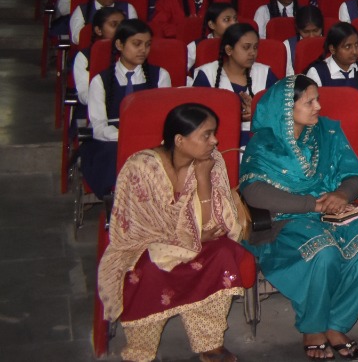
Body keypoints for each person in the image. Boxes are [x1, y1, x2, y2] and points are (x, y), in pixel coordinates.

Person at [240, 76, 358, 358]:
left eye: (317, 99)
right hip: (286, 219)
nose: (318, 106)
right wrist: (313, 204)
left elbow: (354, 174)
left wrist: (343, 195)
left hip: (336, 212)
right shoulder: (264, 142)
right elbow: (254, 191)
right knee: (324, 252)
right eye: (309, 101)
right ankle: (312, 326)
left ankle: (336, 323)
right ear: (287, 108)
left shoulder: (328, 132)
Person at [97, 103, 249, 362]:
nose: (215, 140)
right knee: (147, 270)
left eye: (214, 133)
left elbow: (215, 223)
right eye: (206, 135)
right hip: (145, 245)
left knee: (223, 253)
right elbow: (136, 225)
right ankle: (140, 350)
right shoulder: (141, 168)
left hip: (199, 242)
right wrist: (190, 236)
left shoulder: (213, 161)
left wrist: (202, 179)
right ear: (179, 140)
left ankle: (209, 343)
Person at [83, 19, 172, 198]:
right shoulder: (101, 81)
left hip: (151, 139)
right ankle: (117, 204)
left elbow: (165, 118)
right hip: (113, 140)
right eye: (136, 44)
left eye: (147, 45)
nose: (143, 50)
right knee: (111, 155)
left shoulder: (160, 76)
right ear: (119, 45)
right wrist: (127, 138)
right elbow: (99, 126)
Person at [190, 22, 278, 138]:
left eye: (255, 47)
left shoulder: (265, 73)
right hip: (217, 139)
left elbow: (282, 113)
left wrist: (258, 115)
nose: (252, 53)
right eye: (246, 47)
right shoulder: (207, 74)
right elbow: (195, 117)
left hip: (259, 140)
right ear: (229, 50)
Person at [306, 22, 358, 112]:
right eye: (347, 47)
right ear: (332, 49)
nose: (354, 51)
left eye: (357, 45)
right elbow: (312, 110)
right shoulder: (317, 73)